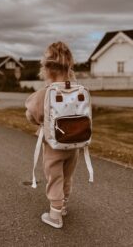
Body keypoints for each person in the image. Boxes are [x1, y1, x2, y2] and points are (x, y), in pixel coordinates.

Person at [25, 41, 78, 229]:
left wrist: (39, 121)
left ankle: (55, 215)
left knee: (54, 177)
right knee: (67, 175)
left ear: (46, 69)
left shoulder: (45, 93)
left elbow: (31, 115)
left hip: (54, 145)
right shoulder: (77, 89)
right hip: (75, 144)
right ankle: (63, 206)